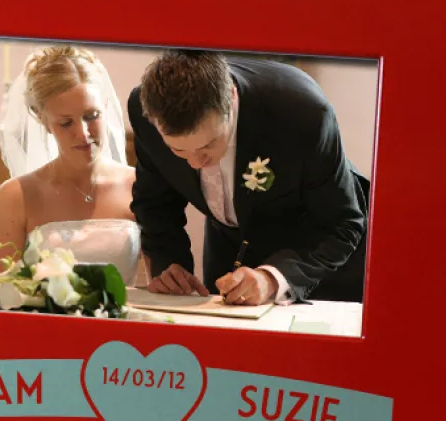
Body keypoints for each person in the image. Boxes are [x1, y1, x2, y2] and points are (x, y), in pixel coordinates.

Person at [127, 49, 369, 304]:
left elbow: (342, 224)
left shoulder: (303, 112)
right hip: (230, 254)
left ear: (231, 98)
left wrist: (272, 278)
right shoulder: (145, 111)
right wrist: (169, 267)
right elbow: (155, 204)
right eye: (178, 150)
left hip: (320, 266)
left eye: (208, 146)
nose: (197, 164)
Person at [0, 45, 142, 284]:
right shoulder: (15, 196)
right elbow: (0, 291)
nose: (83, 133)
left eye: (92, 116)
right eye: (66, 123)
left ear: (106, 106)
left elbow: (158, 285)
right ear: (43, 119)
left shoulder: (139, 186)